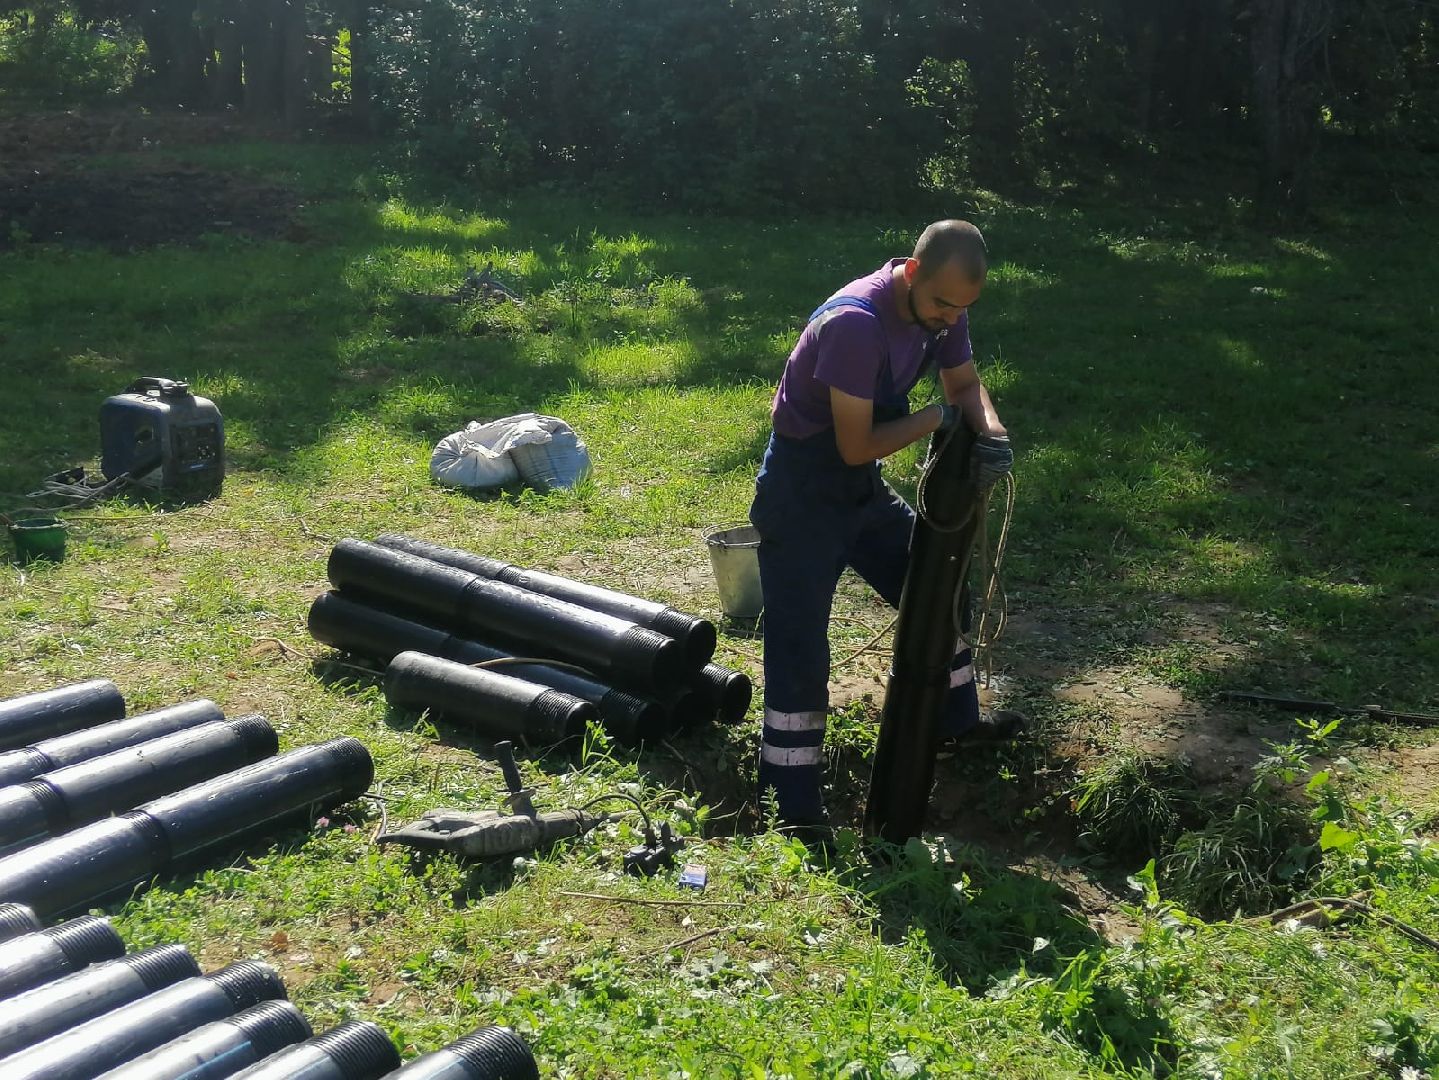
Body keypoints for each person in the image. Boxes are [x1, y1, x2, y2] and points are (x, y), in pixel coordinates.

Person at [747, 219, 1018, 834]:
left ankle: (954, 725)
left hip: (860, 496)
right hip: (802, 499)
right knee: (800, 649)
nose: (951, 319)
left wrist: (992, 434)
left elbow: (966, 383)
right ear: (914, 273)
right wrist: (939, 419)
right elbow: (856, 444)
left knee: (937, 593)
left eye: (963, 308)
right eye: (944, 304)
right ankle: (791, 809)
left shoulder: (941, 308)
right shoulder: (855, 324)